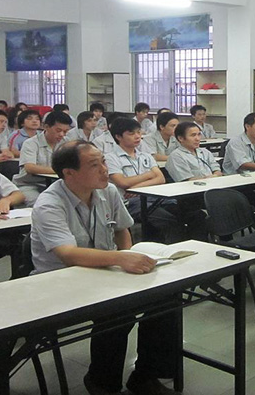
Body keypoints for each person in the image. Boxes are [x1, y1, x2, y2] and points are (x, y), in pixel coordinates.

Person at [30, 141, 178, 395]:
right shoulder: (49, 204)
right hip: (60, 282)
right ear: (69, 173)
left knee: (166, 296)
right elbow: (68, 254)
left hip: (103, 272)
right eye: (94, 165)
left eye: (104, 162)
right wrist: (120, 259)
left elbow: (121, 229)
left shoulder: (107, 191)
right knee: (117, 309)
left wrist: (126, 256)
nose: (104, 170)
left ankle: (146, 375)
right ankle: (102, 382)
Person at [105, 117, 179, 242]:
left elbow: (160, 179)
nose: (137, 136)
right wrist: (149, 175)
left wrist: (136, 187)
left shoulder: (145, 156)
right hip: (129, 203)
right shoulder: (110, 158)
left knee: (183, 210)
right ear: (118, 136)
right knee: (168, 220)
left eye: (139, 132)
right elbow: (122, 182)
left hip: (153, 198)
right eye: (131, 133)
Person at [14, 111, 72, 205]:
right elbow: (30, 167)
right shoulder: (31, 143)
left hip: (56, 185)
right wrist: (58, 170)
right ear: (46, 127)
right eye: (58, 130)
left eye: (65, 131)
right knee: (41, 205)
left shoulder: (67, 143)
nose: (62, 134)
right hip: (30, 185)